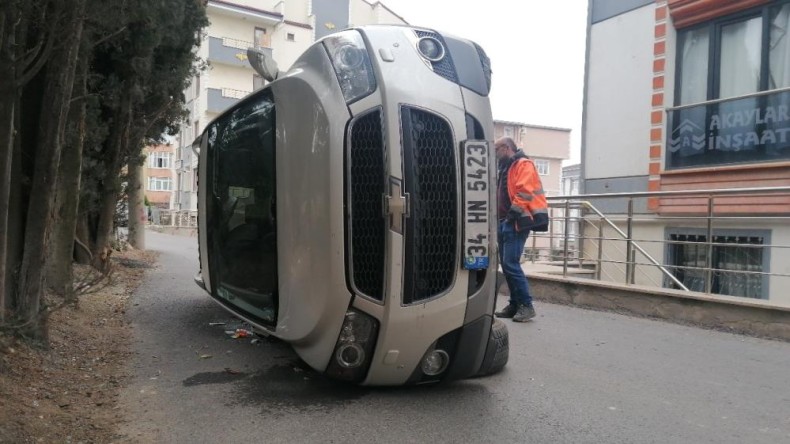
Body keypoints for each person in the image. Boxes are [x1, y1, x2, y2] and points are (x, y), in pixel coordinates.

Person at [493, 137, 549, 322]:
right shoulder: (506, 167)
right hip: (504, 221)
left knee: (511, 264)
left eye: (497, 149)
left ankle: (526, 305)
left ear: (506, 148)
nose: (495, 153)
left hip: (516, 221)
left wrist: (510, 218)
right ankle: (515, 304)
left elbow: (524, 192)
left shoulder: (523, 164)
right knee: (507, 265)